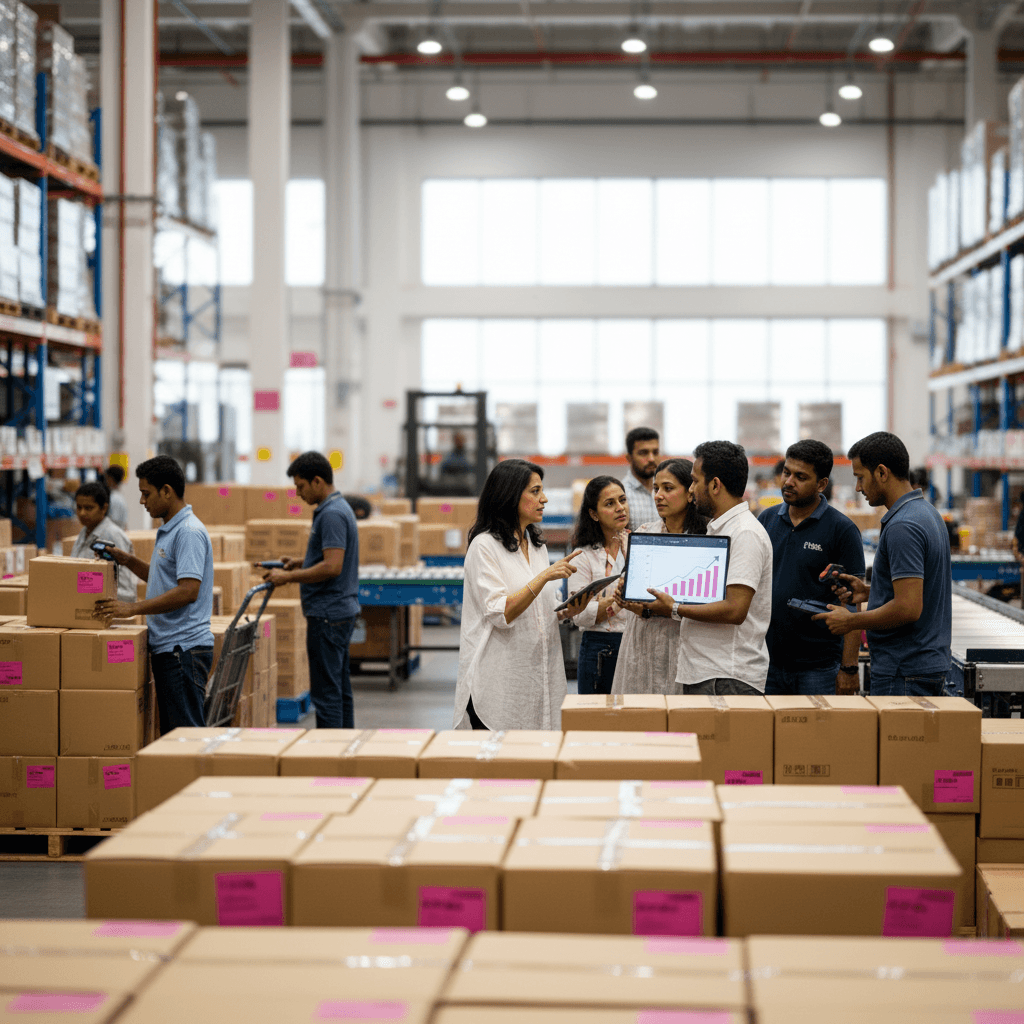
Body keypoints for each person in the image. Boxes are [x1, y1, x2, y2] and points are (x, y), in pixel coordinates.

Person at [815, 431, 952, 697]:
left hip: (904, 669)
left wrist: (851, 622)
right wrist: (871, 591)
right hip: (919, 665)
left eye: (860, 477)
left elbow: (908, 608)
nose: (857, 488)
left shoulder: (904, 526)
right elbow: (916, 590)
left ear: (881, 472)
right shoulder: (926, 513)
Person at [452, 459, 581, 730]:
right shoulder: (484, 546)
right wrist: (544, 576)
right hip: (499, 680)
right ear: (509, 496)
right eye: (535, 491)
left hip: (535, 676)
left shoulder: (535, 544)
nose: (543, 499)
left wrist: (570, 608)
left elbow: (541, 607)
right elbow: (501, 612)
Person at [96, 456, 214, 733]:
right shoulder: (171, 529)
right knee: (175, 736)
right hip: (171, 649)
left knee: (185, 737)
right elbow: (164, 579)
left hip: (181, 651)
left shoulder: (188, 532)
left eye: (145, 494)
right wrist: (127, 560)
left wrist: (132, 608)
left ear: (167, 491)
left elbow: (188, 591)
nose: (141, 501)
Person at [647, 440, 773, 696]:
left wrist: (673, 608)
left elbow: (735, 609)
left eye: (694, 481)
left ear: (715, 485)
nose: (691, 490)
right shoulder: (721, 529)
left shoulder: (744, 533)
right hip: (709, 673)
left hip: (727, 676)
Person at [757, 440, 865, 696]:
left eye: (800, 476)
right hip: (767, 663)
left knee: (816, 736)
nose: (789, 481)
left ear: (821, 484)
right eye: (786, 472)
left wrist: (848, 668)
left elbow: (853, 604)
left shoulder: (842, 530)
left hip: (818, 668)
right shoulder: (766, 520)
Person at [262, 451, 361, 729]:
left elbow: (332, 567)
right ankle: (344, 751)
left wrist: (287, 578)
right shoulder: (337, 509)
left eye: (300, 486)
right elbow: (327, 559)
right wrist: (299, 563)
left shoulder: (331, 514)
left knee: (326, 695)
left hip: (328, 615)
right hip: (337, 612)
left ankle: (329, 760)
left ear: (317, 481)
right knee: (339, 690)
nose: (298, 493)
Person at [611, 458, 709, 695]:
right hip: (642, 639)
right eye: (656, 488)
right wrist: (625, 593)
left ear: (689, 493)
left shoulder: (705, 540)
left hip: (684, 643)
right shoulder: (645, 533)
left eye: (668, 488)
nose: (658, 495)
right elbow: (633, 587)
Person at [563, 475, 629, 695]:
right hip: (599, 648)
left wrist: (604, 603)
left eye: (622, 500)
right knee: (597, 721)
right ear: (593, 514)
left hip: (636, 644)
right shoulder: (582, 556)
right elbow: (579, 614)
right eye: (610, 504)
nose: (620, 508)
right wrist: (621, 600)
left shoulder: (640, 543)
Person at [70, 481, 138, 605]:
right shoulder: (84, 533)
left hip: (109, 611)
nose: (82, 513)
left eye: (88, 508)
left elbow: (128, 591)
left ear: (104, 508)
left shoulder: (113, 536)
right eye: (79, 507)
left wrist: (84, 587)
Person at [621, 426, 660, 532]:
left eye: (655, 452)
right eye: (643, 453)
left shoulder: (667, 491)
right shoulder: (620, 494)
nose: (651, 459)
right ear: (629, 458)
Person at [103, 465, 129, 530]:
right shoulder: (120, 497)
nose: (105, 481)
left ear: (111, 479)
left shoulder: (113, 498)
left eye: (106, 478)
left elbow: (113, 522)